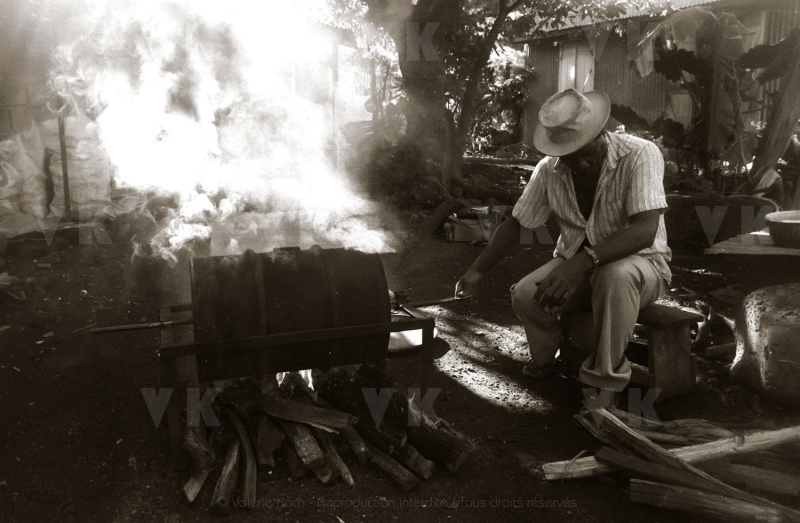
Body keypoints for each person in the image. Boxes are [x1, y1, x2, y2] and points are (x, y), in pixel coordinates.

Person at [455, 88, 671, 405]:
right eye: (571, 155)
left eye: (587, 149)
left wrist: (583, 262)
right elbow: (518, 223)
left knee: (614, 276)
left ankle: (603, 387)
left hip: (642, 267)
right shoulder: (548, 170)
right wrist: (476, 270)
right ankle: (547, 360)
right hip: (577, 264)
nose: (581, 162)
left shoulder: (641, 154)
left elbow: (644, 230)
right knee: (526, 294)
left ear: (602, 131)